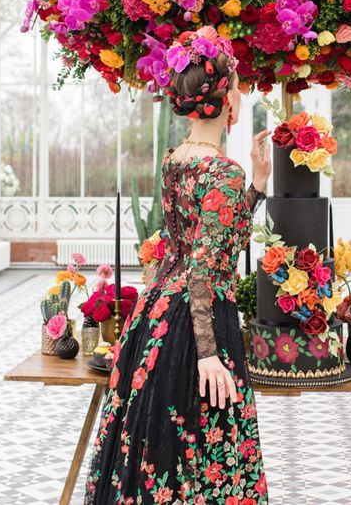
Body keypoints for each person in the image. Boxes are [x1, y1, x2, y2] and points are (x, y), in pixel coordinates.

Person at [85, 27, 271, 504]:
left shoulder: (175, 162)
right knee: (206, 461)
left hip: (156, 316)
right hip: (198, 326)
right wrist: (208, 353)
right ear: (226, 99)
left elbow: (207, 245)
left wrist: (258, 187)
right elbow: (207, 270)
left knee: (156, 459)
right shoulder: (222, 171)